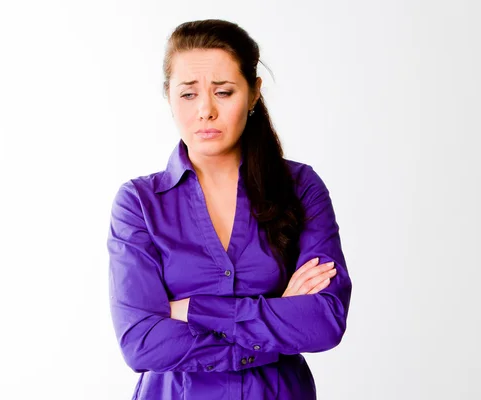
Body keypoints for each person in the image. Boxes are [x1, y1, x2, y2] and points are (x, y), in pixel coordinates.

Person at [106, 19, 352, 400]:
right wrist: (276, 315)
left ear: (254, 93)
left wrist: (193, 310)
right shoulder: (139, 203)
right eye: (188, 94)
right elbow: (141, 342)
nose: (205, 110)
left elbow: (323, 322)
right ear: (168, 96)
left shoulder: (301, 188)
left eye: (223, 92)